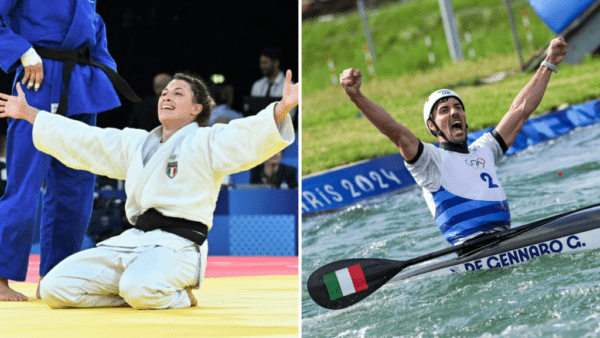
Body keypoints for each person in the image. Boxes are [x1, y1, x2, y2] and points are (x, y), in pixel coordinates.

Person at [0, 69, 298, 309]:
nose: (167, 96)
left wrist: (282, 108)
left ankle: (177, 295)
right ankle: (132, 292)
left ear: (196, 109)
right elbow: (86, 139)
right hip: (131, 242)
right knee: (55, 287)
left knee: (140, 289)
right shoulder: (136, 143)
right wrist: (29, 114)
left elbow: (244, 136)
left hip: (178, 247)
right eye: (165, 93)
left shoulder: (207, 142)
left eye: (177, 93)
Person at [339, 37, 568, 256]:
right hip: (470, 250)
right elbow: (395, 132)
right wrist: (356, 96)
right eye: (444, 110)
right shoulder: (428, 161)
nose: (454, 111)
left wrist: (548, 63)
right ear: (432, 126)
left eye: (458, 107)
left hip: (506, 238)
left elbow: (520, 111)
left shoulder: (485, 149)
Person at [0, 1, 139, 301]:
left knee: (75, 189)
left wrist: (102, 76)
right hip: (36, 78)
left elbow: (93, 26)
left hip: (81, 82)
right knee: (24, 185)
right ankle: (0, 276)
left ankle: (54, 277)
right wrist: (22, 51)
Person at [250, 47, 298, 129]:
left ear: (276, 63)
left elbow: (289, 117)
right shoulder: (257, 85)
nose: (262, 66)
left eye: (265, 63)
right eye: (261, 63)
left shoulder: (288, 86)